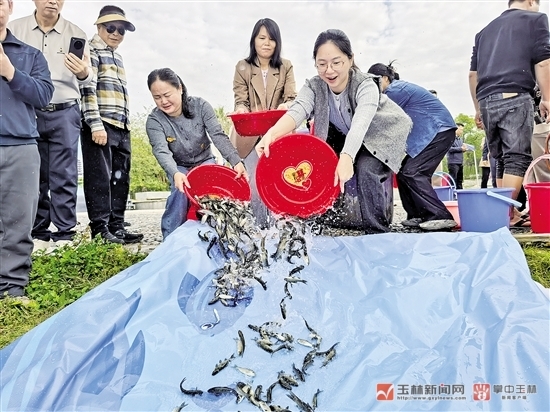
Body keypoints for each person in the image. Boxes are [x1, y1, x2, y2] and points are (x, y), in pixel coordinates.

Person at [255, 29, 412, 234]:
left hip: (379, 134)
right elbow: (298, 109)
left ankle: (376, 230)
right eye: (322, 64)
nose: (329, 71)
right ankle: (329, 218)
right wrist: (273, 133)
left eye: (336, 62)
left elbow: (361, 123)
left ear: (350, 59)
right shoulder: (315, 86)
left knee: (366, 167)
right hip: (346, 133)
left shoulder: (366, 84)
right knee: (324, 163)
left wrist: (347, 156)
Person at [9, 0, 93, 248]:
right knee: (33, 172)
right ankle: (38, 231)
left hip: (64, 110)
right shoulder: (15, 29)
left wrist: (83, 72)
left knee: (65, 173)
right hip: (27, 110)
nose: (53, 1)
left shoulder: (76, 33)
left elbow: (89, 78)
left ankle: (65, 232)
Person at [469, 0, 550, 225]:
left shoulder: (483, 32)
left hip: (486, 100)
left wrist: (477, 108)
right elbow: (544, 62)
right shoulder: (536, 19)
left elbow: (473, 75)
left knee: (501, 158)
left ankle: (508, 214)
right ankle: (504, 215)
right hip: (514, 95)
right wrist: (546, 98)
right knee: (517, 157)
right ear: (532, 1)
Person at [146, 68, 249, 239]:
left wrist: (236, 161)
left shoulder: (200, 106)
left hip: (204, 160)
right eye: (157, 97)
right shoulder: (154, 120)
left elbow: (217, 135)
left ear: (179, 88)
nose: (163, 101)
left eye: (167, 95)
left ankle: (219, 236)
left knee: (212, 192)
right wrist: (175, 173)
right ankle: (171, 238)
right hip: (178, 166)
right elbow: (161, 150)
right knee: (180, 191)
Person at [0, 0, 54, 298]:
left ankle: (11, 288)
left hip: (20, 147)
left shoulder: (30, 54)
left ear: (10, 7)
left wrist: (11, 72)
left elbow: (44, 95)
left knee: (18, 223)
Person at [367, 63, 458, 231]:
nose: (371, 87)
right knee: (404, 173)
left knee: (413, 172)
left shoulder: (394, 91)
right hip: (431, 134)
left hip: (439, 131)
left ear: (385, 79)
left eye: (373, 82)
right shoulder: (396, 89)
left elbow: (377, 119)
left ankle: (440, 216)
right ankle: (418, 214)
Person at [80, 5, 142, 244]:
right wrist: (95, 124)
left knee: (120, 178)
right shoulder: (91, 49)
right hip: (101, 123)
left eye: (121, 30)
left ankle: (117, 226)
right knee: (99, 178)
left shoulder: (118, 56)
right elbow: (87, 89)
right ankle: (100, 229)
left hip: (121, 125)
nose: (116, 33)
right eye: (111, 28)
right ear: (99, 26)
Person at [231, 18, 297, 228]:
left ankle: (282, 228)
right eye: (262, 38)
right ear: (254, 40)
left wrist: (286, 106)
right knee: (254, 182)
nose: (266, 43)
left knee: (280, 179)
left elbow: (292, 98)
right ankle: (259, 229)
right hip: (250, 134)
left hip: (278, 132)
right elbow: (240, 99)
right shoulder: (242, 66)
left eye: (271, 39)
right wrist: (241, 109)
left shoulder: (286, 66)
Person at [445, 123, 466, 190]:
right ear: (456, 129)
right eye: (461, 130)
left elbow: (460, 149)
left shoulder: (460, 139)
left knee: (460, 180)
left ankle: (460, 193)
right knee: (453, 180)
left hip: (460, 162)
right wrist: (460, 149)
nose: (462, 131)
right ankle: (452, 193)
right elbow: (449, 149)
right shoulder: (450, 138)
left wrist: (464, 149)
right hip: (453, 162)